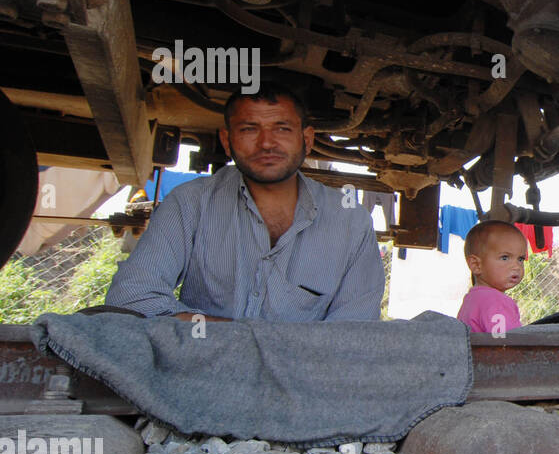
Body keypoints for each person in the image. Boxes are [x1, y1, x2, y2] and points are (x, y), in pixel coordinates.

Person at [104, 83, 385, 321]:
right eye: (250, 129)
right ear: (227, 141)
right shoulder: (191, 203)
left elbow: (352, 334)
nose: (266, 143)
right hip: (198, 374)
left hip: (297, 383)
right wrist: (239, 340)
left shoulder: (351, 222)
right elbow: (131, 299)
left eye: (282, 129)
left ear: (307, 139)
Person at [457, 220, 526, 334]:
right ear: (476, 264)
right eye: (505, 258)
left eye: (520, 259)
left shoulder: (472, 298)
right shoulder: (497, 302)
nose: (516, 267)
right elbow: (507, 345)